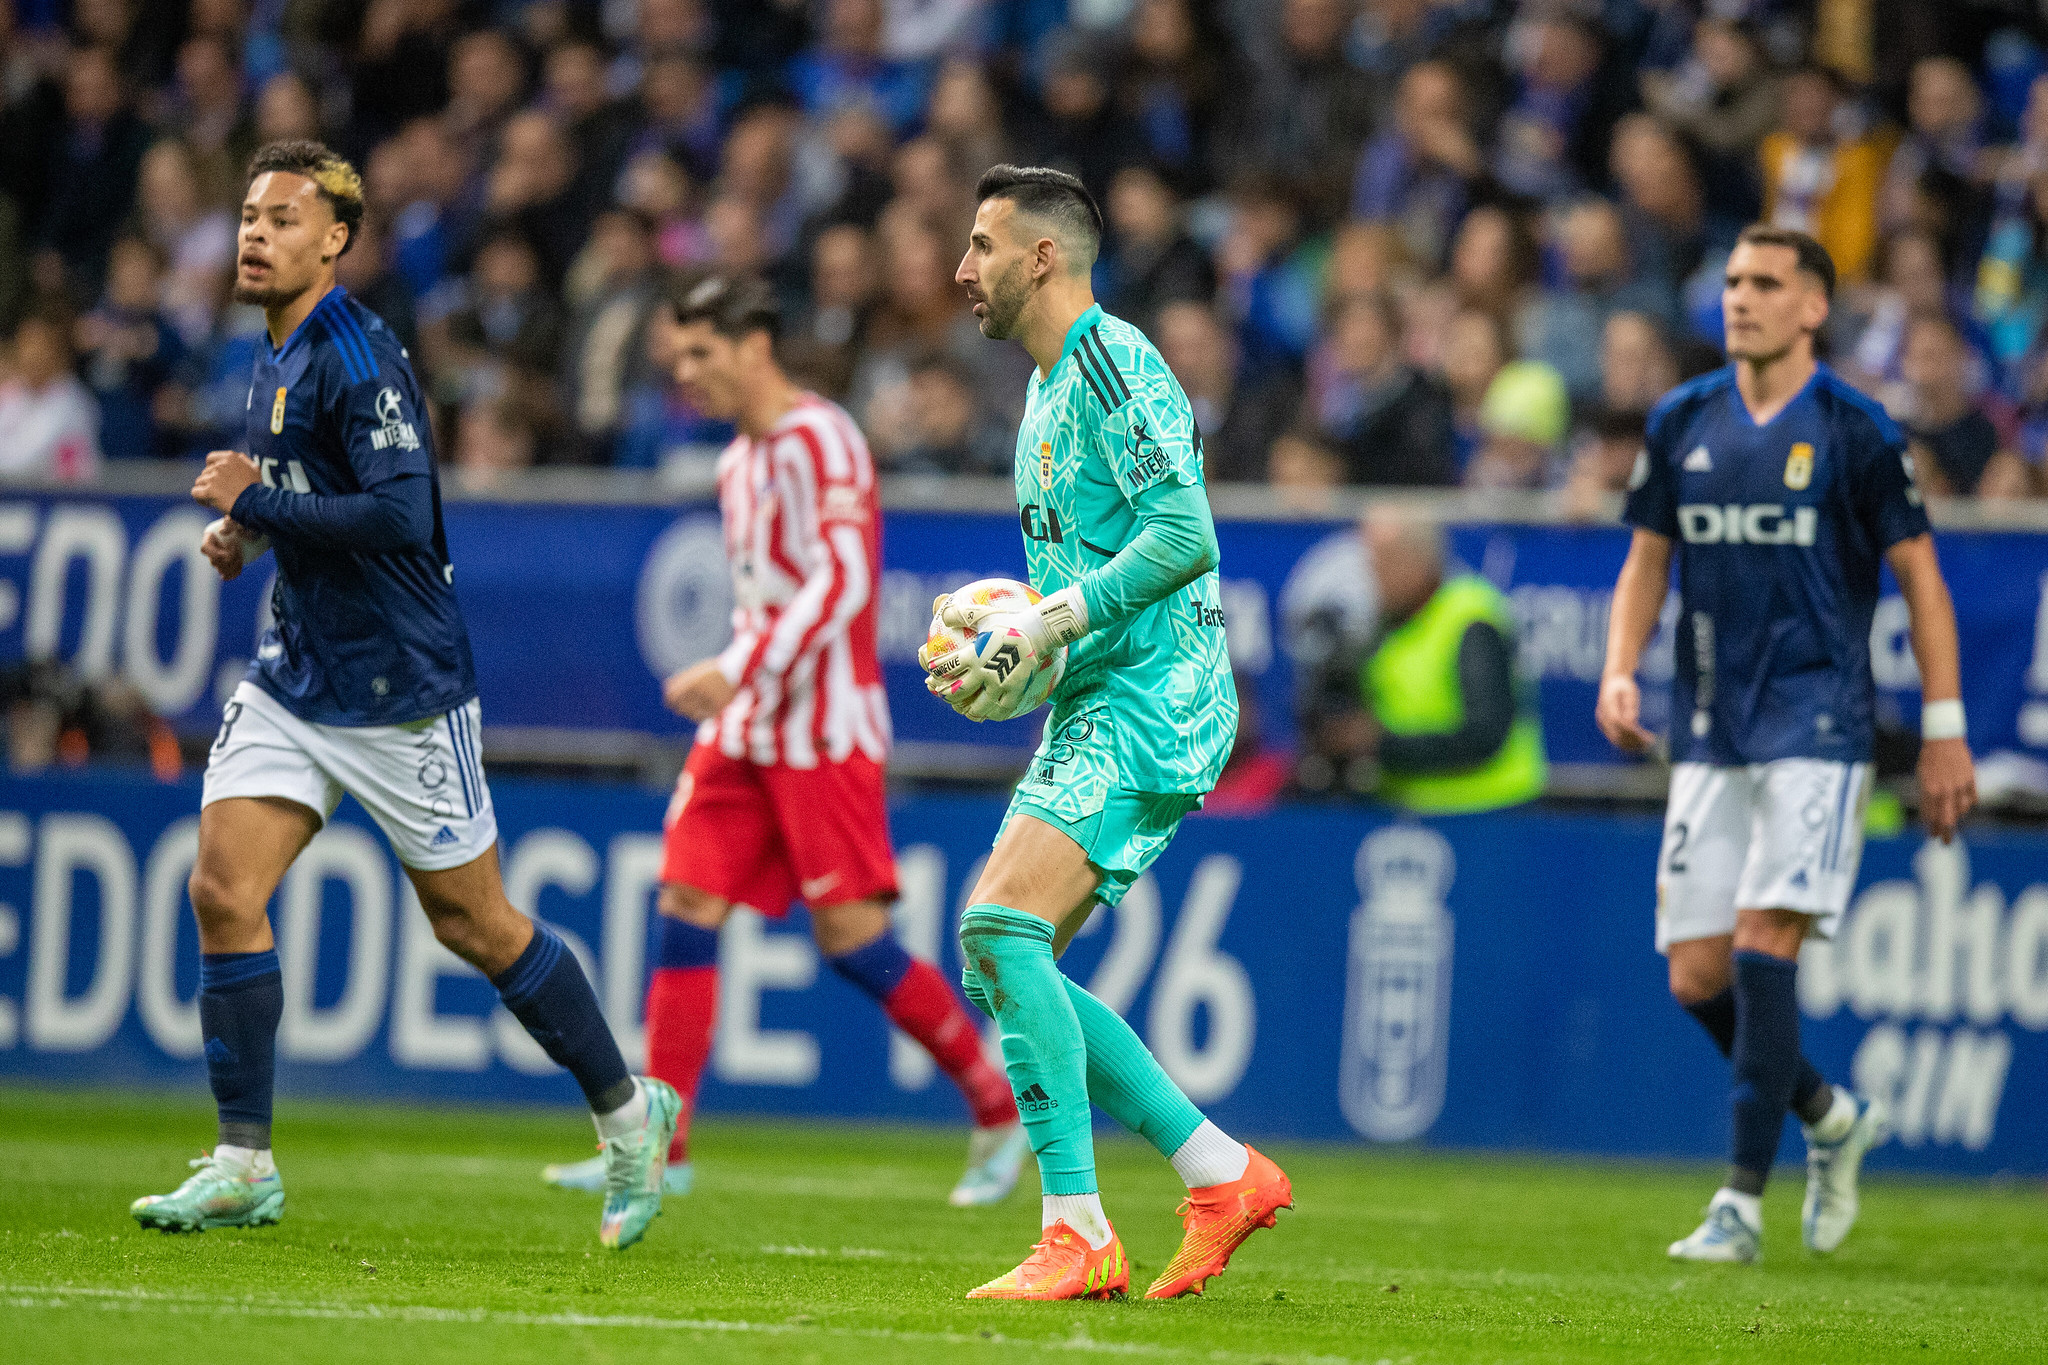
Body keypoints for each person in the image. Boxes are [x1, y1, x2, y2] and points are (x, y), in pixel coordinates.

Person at [130, 141, 681, 1251]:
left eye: (283, 219)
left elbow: (397, 511)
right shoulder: (271, 343)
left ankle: (630, 1116)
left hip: (400, 689)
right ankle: (244, 1162)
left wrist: (261, 504)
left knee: (474, 925)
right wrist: (249, 527)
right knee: (222, 890)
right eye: (247, 214)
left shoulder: (356, 351)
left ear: (335, 239)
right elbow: (299, 484)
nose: (254, 233)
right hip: (296, 675)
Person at [539, 274, 1028, 1208]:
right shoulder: (737, 463)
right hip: (748, 725)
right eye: (677, 359)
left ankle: (996, 1104)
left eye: (701, 355)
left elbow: (842, 583)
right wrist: (740, 670)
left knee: (851, 939)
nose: (687, 376)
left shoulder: (823, 440)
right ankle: (662, 1147)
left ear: (755, 347)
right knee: (684, 897)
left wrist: (741, 664)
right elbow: (771, 599)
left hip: (823, 732)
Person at [934, 164, 1290, 1301]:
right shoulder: (1041, 397)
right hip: (1106, 692)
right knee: (1001, 964)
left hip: (1160, 694)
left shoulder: (1111, 361)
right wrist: (1019, 663)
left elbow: (1185, 536)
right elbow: (1084, 585)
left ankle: (1078, 1231)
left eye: (982, 244)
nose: (961, 270)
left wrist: (1052, 618)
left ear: (1042, 255)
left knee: (997, 927)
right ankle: (1217, 1170)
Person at [1597, 225, 1977, 1263]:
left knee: (1766, 948)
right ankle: (1826, 1116)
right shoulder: (1681, 417)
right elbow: (1644, 561)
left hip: (1817, 724)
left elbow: (1922, 583)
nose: (1739, 299)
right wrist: (1620, 665)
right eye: (1729, 281)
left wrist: (1941, 733)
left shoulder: (1853, 427)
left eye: (1764, 283)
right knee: (1692, 975)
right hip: (1710, 727)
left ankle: (1737, 1204)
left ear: (1812, 306)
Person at [1357, 506, 1546, 813]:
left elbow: (1484, 733)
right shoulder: (1388, 622)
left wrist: (1377, 745)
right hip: (1408, 812)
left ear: (1419, 561)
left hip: (1489, 813)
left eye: (1384, 562)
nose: (1373, 575)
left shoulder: (1470, 617)